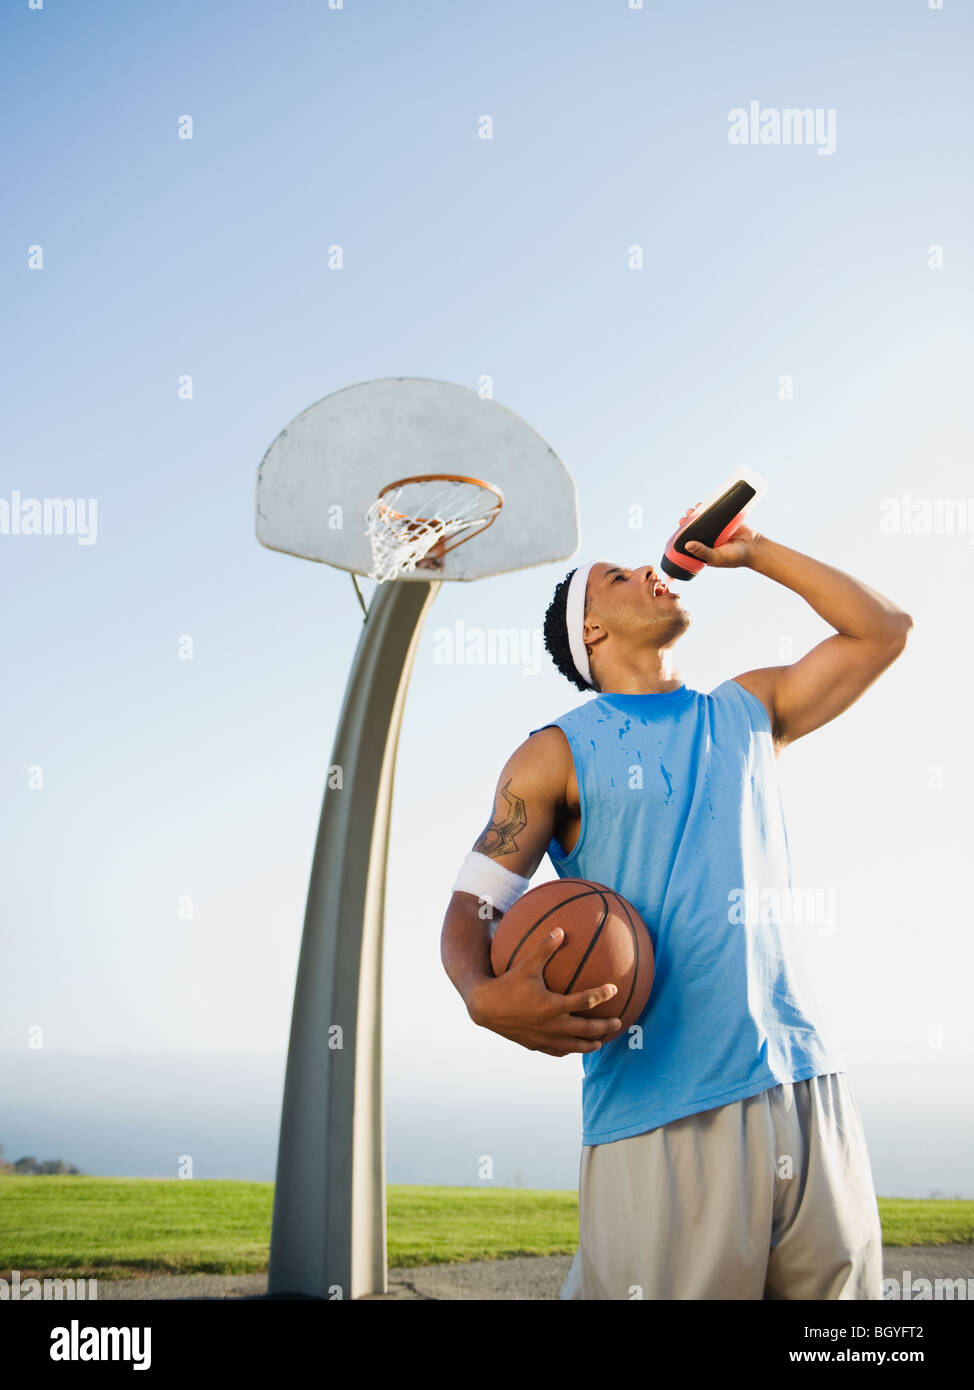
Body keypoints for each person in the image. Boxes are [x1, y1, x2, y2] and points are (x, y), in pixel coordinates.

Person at [439, 519, 913, 1299]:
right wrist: (480, 995)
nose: (646, 572)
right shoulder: (552, 754)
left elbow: (884, 631)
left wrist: (754, 551)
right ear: (590, 627)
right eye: (617, 576)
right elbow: (473, 905)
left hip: (807, 1081)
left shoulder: (750, 708)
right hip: (664, 1111)